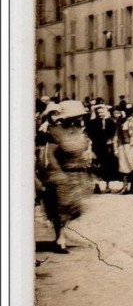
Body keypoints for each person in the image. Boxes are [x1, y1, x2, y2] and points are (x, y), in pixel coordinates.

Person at [35, 100, 93, 253]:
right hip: (62, 174)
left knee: (75, 209)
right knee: (60, 209)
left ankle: (60, 234)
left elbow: (82, 150)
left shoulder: (78, 131)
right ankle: (60, 238)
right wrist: (57, 173)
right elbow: (49, 154)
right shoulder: (55, 132)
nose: (79, 118)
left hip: (77, 175)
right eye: (76, 116)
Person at [113, 105, 133, 195]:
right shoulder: (121, 121)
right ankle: (125, 188)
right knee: (124, 167)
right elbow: (116, 135)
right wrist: (116, 148)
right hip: (122, 146)